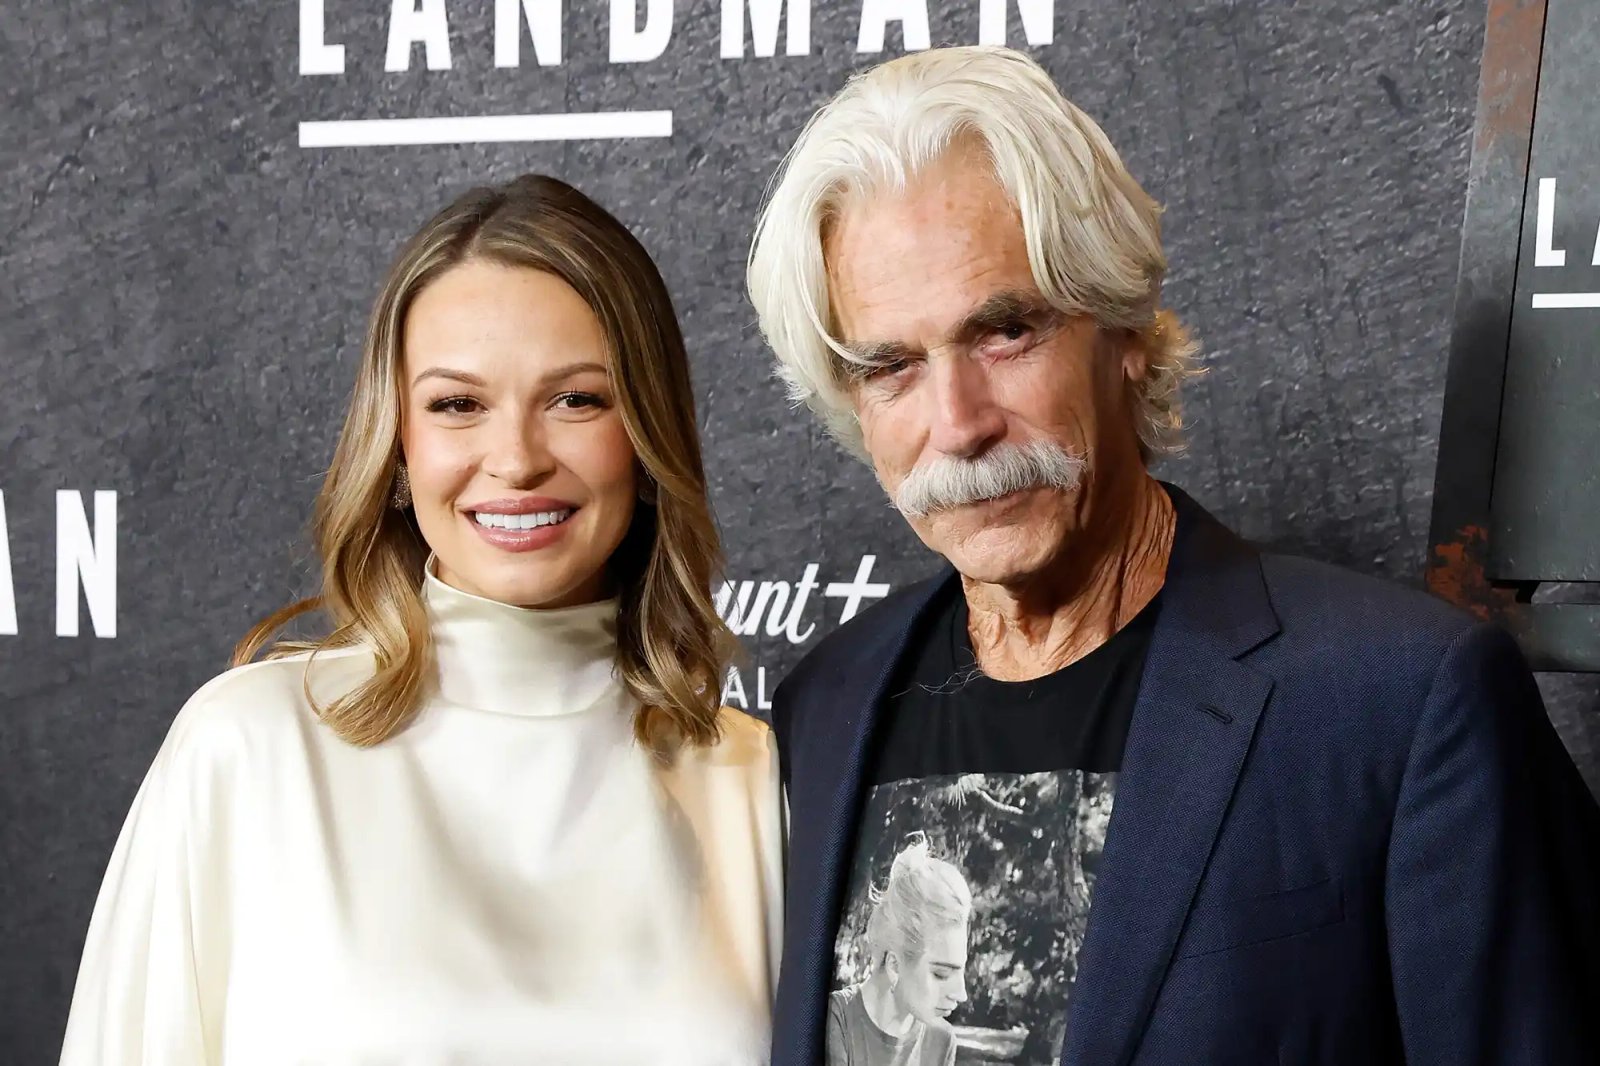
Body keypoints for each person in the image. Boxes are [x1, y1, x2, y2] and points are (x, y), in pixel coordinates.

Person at [748, 46, 1600, 1066]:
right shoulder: (822, 711)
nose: (958, 422)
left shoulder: (1400, 704)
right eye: (891, 365)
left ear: (1125, 332)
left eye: (1005, 330)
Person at [60, 174, 784, 1065]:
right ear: (398, 444)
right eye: (457, 405)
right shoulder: (248, 749)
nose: (515, 459)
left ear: (647, 435)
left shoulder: (754, 780)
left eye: (576, 399)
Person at [827, 836, 970, 1066]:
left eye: (961, 970)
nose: (961, 994)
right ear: (894, 966)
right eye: (941, 974)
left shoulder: (942, 1041)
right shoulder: (835, 1020)